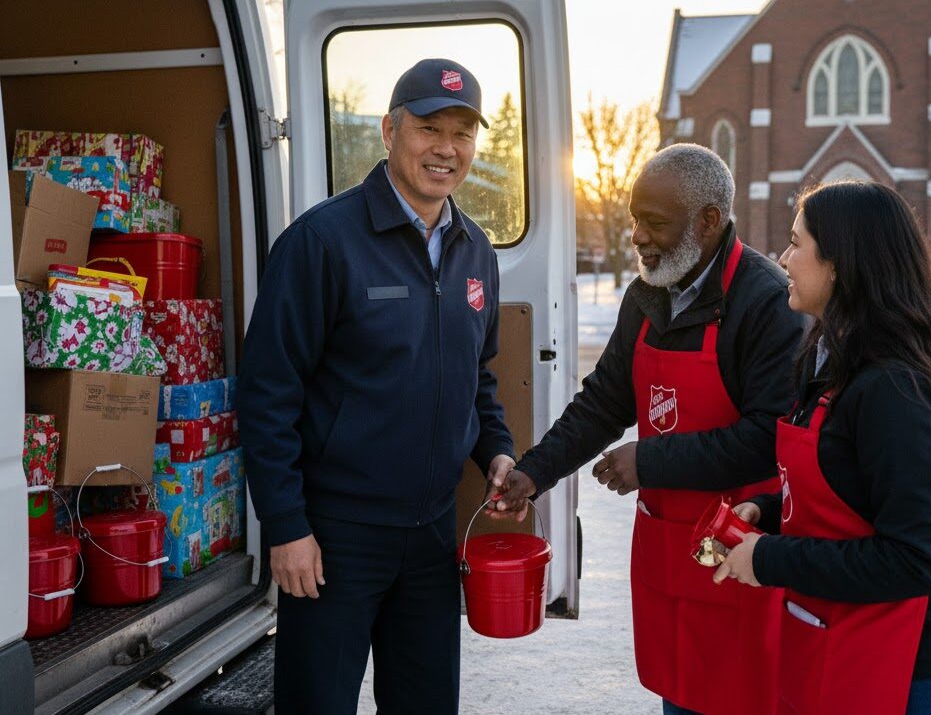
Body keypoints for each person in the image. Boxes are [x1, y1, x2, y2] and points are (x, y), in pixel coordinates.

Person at [237, 58, 516, 715]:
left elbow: (477, 374)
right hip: (334, 538)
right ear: (390, 131)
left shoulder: (476, 251)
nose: (446, 149)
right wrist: (286, 526)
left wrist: (497, 450)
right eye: (429, 128)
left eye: (462, 133)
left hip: (432, 535)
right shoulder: (321, 242)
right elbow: (267, 393)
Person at [496, 143, 805, 715]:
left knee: (741, 695)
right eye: (635, 220)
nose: (637, 236)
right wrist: (535, 473)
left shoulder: (766, 301)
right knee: (679, 693)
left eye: (655, 223)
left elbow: (770, 440)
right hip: (669, 551)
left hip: (739, 553)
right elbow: (605, 401)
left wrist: (650, 461)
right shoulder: (648, 293)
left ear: (708, 221)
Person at [715, 180, 931, 715]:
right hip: (840, 642)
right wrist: (769, 512)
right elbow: (847, 488)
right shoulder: (829, 356)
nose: (782, 258)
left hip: (909, 669)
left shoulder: (897, 388)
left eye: (797, 243)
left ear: (840, 265)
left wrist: (770, 558)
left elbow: (916, 559)